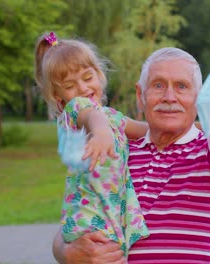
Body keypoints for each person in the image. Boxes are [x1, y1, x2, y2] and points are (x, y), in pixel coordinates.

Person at [53, 6, 210, 264]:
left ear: (197, 98)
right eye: (158, 85)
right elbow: (78, 211)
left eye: (181, 86)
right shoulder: (117, 149)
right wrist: (65, 252)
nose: (169, 97)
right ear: (141, 95)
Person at [34, 33, 149, 255]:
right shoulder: (74, 111)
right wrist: (101, 130)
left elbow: (149, 131)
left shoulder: (112, 116)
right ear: (59, 96)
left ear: (99, 74)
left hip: (111, 214)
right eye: (70, 85)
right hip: (89, 221)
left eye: (87, 78)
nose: (82, 88)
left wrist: (199, 127)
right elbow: (89, 116)